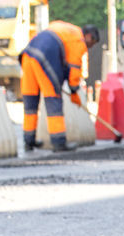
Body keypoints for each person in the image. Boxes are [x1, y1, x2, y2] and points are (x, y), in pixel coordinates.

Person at [20, 21, 100, 152]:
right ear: (89, 36)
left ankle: (29, 141)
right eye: (92, 43)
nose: (89, 47)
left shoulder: (67, 28)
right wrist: (74, 91)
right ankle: (58, 143)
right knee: (53, 99)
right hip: (44, 57)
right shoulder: (79, 40)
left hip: (28, 54)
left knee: (31, 100)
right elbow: (74, 68)